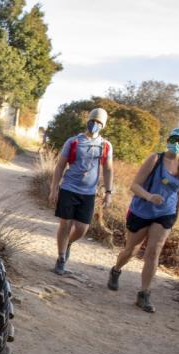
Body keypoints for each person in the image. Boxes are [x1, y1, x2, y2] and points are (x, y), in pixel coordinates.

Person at [107, 127, 179, 313]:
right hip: (142, 210)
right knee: (131, 250)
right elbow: (134, 185)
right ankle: (116, 269)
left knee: (154, 251)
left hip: (165, 213)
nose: (176, 144)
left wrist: (175, 216)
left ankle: (144, 294)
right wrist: (149, 196)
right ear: (168, 139)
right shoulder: (155, 159)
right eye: (174, 139)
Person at [48, 107, 114, 274]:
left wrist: (108, 192)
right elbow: (60, 166)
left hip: (89, 192)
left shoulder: (105, 146)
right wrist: (54, 188)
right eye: (93, 121)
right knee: (66, 223)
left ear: (103, 125)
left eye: (99, 122)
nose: (95, 124)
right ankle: (61, 257)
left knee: (82, 228)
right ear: (87, 121)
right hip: (69, 188)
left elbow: (108, 169)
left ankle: (68, 243)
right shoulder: (73, 142)